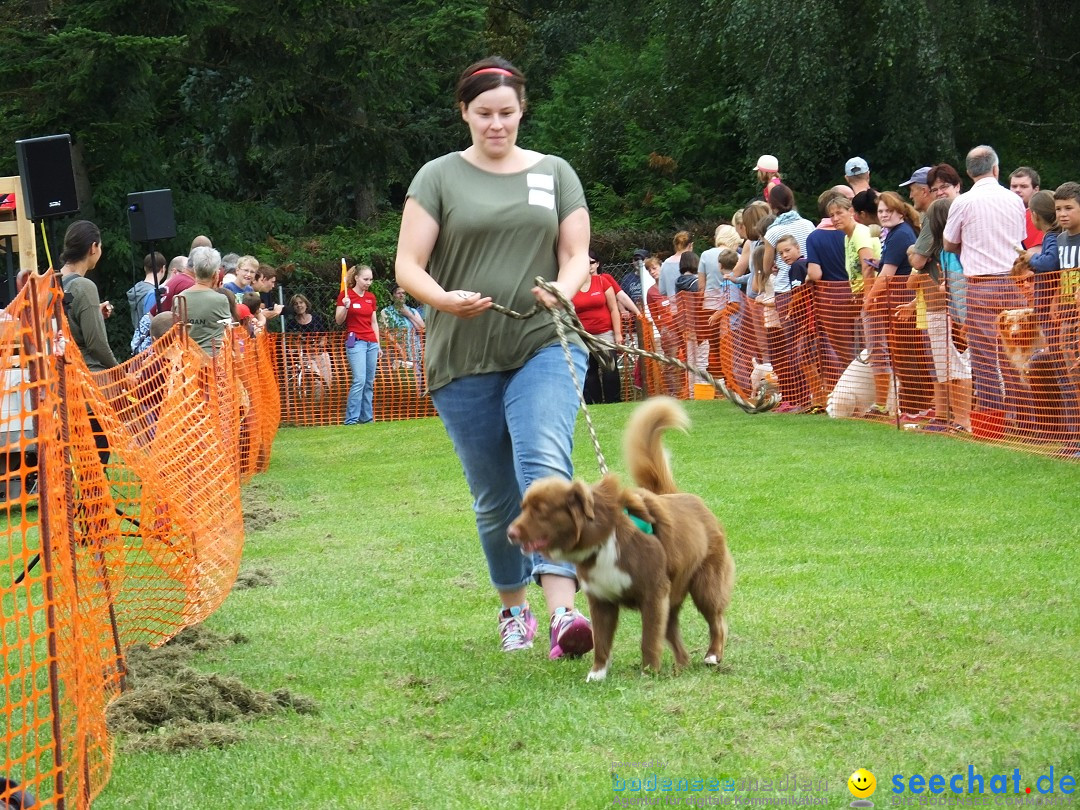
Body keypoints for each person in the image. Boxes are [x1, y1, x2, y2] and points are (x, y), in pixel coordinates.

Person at [394, 57, 594, 658]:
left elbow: (576, 253)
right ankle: (514, 610)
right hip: (463, 354)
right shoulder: (437, 177)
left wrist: (564, 288)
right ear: (464, 112)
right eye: (485, 113)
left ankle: (564, 614)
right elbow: (407, 266)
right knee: (496, 497)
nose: (497, 124)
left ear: (522, 110)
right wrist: (443, 301)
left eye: (507, 113)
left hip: (544, 342)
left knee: (545, 469)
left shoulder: (555, 172)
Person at [943, 145, 1027, 419]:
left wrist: (967, 248)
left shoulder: (963, 202)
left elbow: (948, 242)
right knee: (1015, 351)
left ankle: (993, 416)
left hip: (979, 284)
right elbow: (1020, 238)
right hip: (1013, 282)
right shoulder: (1014, 200)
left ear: (968, 173)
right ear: (996, 169)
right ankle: (1023, 415)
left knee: (984, 355)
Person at [898, 198, 972, 433]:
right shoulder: (949, 249)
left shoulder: (948, 251)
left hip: (955, 312)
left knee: (959, 368)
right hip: (956, 311)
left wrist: (945, 289)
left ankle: (963, 420)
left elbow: (953, 281)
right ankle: (956, 419)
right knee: (954, 368)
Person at [58, 221, 120, 467]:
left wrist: (94, 312)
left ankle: (85, 504)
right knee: (98, 455)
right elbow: (96, 344)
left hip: (60, 381)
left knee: (80, 460)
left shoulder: (51, 282)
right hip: (90, 382)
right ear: (93, 247)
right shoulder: (84, 286)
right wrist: (119, 370)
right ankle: (92, 505)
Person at [573, 252, 623, 404]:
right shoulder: (573, 286)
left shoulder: (602, 282)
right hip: (583, 336)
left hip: (604, 333)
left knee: (610, 370)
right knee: (589, 372)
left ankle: (613, 402)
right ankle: (594, 404)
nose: (588, 266)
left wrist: (618, 333)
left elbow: (614, 308)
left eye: (591, 262)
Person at [335, 261, 380, 425]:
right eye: (366, 279)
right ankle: (351, 419)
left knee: (369, 382)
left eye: (370, 280)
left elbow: (374, 322)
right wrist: (345, 307)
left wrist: (378, 344)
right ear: (356, 278)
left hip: (371, 342)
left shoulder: (371, 297)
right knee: (359, 380)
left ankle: (366, 418)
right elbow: (339, 321)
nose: (368, 283)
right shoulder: (345, 296)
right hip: (356, 341)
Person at [177, 246, 232, 355]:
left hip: (187, 361)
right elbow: (229, 331)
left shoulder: (179, 298)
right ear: (215, 274)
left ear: (195, 270)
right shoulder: (220, 300)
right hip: (213, 363)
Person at [380, 285, 426, 393]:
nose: (401, 295)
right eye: (398, 293)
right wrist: (399, 348)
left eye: (404, 293)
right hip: (395, 352)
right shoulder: (386, 312)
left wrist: (409, 315)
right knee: (398, 383)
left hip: (414, 352)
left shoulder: (412, 311)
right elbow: (384, 332)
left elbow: (422, 329)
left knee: (415, 381)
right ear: (393, 296)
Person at [287, 293, 331, 400]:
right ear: (293, 307)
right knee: (316, 379)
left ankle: (326, 404)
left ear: (306, 304)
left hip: (320, 352)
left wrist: (320, 344)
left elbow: (324, 336)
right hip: (306, 356)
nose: (299, 305)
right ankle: (316, 405)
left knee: (328, 379)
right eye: (295, 304)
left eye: (301, 302)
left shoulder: (316, 318)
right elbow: (292, 342)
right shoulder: (291, 324)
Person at [127, 251, 165, 328]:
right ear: (163, 269)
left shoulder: (136, 290)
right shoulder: (154, 294)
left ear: (145, 268)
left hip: (137, 337)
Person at [1009, 166, 1043, 249]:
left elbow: (1037, 251)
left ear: (1036, 189)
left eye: (1023, 186)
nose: (1017, 190)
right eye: (1014, 186)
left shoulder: (1040, 215)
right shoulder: (1004, 213)